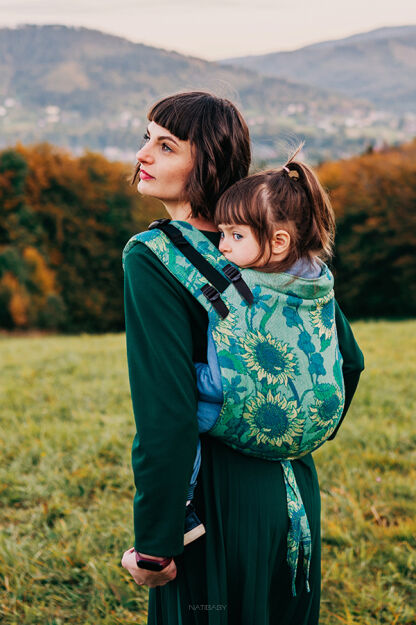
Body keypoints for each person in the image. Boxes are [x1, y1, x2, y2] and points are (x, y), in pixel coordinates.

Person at [121, 91, 364, 625]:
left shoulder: (152, 257)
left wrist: (156, 543)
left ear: (204, 162)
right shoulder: (267, 245)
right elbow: (348, 360)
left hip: (214, 505)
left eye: (165, 146)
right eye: (147, 140)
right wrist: (288, 431)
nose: (142, 155)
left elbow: (167, 415)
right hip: (295, 491)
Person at [185, 152, 344, 559]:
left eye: (235, 236)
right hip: (316, 416)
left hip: (248, 407)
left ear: (277, 242)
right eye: (222, 233)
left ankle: (181, 507)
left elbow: (223, 381)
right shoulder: (314, 278)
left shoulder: (246, 292)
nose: (221, 246)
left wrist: (185, 371)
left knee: (177, 416)